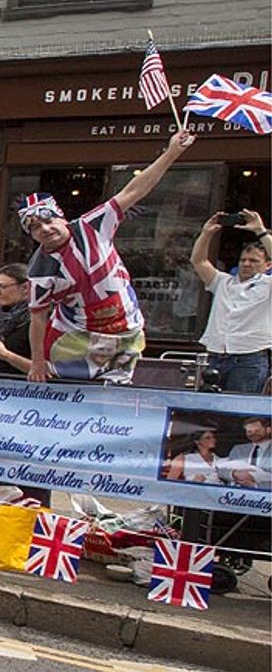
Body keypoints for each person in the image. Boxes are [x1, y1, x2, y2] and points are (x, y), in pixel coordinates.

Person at [25, 131, 196, 383]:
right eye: (35, 228)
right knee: (69, 394)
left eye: (48, 221)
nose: (45, 229)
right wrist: (37, 361)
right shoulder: (39, 270)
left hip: (124, 328)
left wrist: (171, 153)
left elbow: (134, 191)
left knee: (116, 394)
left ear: (61, 217)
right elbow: (37, 317)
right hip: (76, 337)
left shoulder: (91, 226)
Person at [192, 209, 271, 394]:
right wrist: (207, 233)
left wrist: (260, 231)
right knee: (208, 413)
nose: (246, 264)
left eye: (253, 260)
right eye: (243, 259)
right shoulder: (222, 281)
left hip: (249, 358)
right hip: (216, 355)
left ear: (268, 265)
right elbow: (199, 261)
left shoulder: (268, 284)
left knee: (239, 414)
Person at [224, 418, 270, 487]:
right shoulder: (238, 449)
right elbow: (221, 470)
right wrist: (234, 474)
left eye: (257, 431)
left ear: (268, 430)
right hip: (234, 494)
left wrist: (255, 485)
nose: (253, 434)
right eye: (249, 431)